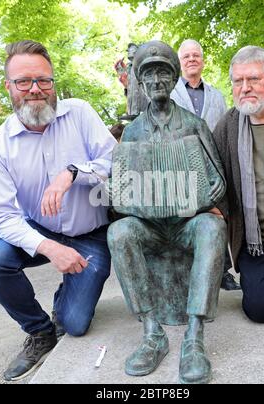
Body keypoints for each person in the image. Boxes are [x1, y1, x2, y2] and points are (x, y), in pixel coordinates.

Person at [0, 40, 117, 381]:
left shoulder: (79, 112)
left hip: (92, 233)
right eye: (24, 82)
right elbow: (1, 216)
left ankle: (67, 301)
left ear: (53, 82)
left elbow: (116, 161)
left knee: (75, 324)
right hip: (41, 229)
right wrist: (49, 248)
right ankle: (38, 331)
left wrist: (73, 172)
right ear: (9, 87)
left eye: (44, 80)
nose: (36, 89)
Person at [107, 40, 227, 384]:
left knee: (211, 227)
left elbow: (217, 176)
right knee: (119, 232)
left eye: (163, 72)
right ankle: (152, 333)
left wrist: (216, 187)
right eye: (149, 74)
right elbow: (120, 191)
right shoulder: (132, 132)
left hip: (186, 224)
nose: (157, 80)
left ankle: (194, 337)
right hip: (151, 227)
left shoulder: (192, 124)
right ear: (140, 83)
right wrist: (118, 191)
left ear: (173, 79)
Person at [213, 45, 264, 324]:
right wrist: (216, 208)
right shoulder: (227, 126)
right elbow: (214, 175)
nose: (244, 87)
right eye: (238, 81)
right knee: (262, 311)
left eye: (254, 79)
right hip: (258, 240)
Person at [171, 39, 240, 291]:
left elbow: (222, 136)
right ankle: (189, 274)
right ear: (180, 62)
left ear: (202, 60)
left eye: (196, 55)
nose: (191, 59)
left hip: (211, 170)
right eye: (186, 56)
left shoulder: (217, 96)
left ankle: (222, 272)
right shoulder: (169, 94)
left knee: (219, 218)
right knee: (186, 220)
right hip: (179, 169)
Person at [114, 43, 149, 119]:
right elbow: (128, 83)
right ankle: (133, 112)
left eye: (131, 50)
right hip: (133, 106)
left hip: (146, 107)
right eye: (128, 50)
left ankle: (138, 112)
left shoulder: (145, 65)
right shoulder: (129, 67)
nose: (129, 52)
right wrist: (120, 70)